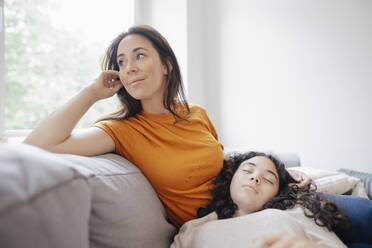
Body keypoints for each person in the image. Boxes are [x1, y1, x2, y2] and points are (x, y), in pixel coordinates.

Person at [23, 25, 371, 245]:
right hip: (230, 227)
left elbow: (224, 164)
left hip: (277, 202)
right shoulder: (121, 131)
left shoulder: (196, 114)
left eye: (139, 56)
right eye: (122, 61)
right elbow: (37, 147)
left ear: (166, 64)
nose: (129, 67)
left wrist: (277, 175)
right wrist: (91, 93)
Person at [171, 152, 350, 248]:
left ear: (276, 194)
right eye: (248, 171)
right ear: (230, 177)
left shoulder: (297, 213)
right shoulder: (195, 229)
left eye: (268, 179)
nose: (255, 178)